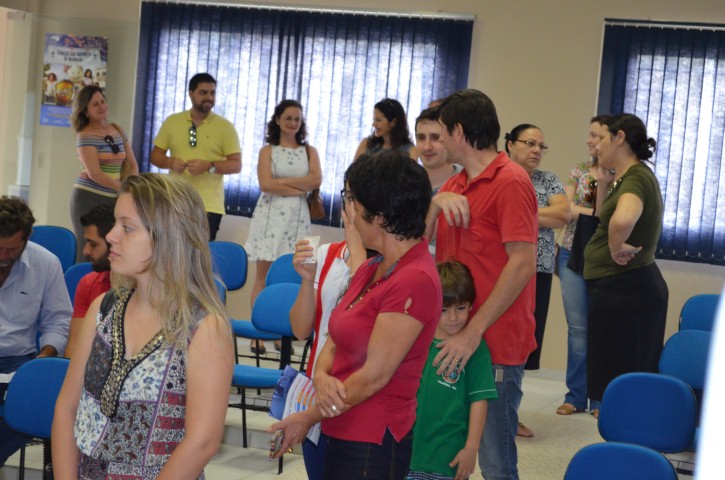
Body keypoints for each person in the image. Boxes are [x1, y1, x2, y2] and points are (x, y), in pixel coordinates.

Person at [269, 151, 441, 480]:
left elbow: (375, 375)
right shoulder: (373, 268)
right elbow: (334, 337)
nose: (348, 213)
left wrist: (309, 416)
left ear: (379, 216)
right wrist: (321, 377)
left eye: (353, 202)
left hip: (372, 436)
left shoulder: (415, 278)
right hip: (339, 422)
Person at [52, 173, 234, 479]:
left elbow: (202, 442)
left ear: (167, 238)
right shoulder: (103, 309)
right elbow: (67, 408)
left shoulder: (203, 329)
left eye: (127, 227)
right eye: (115, 223)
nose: (111, 236)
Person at [425, 89, 538, 480]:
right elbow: (416, 249)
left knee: (495, 462)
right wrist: (434, 205)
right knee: (449, 448)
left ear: (459, 132)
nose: (437, 141)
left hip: (493, 340)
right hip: (453, 335)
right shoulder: (453, 185)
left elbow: (523, 263)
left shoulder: (511, 181)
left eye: (441, 132)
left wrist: (472, 333)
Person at [583, 113, 668, 417]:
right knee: (613, 378)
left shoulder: (636, 178)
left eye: (602, 138)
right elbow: (603, 216)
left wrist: (615, 247)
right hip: (622, 288)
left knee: (624, 381)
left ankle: (629, 437)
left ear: (620, 138)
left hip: (627, 289)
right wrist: (604, 183)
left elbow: (622, 220)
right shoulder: (626, 177)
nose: (596, 145)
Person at [288, 206, 366, 480]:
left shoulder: (388, 262)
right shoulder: (327, 253)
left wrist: (357, 249)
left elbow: (360, 317)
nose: (353, 208)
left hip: (358, 394)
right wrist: (307, 280)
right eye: (349, 197)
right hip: (318, 388)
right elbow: (300, 329)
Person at [407, 260, 498, 480]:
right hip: (408, 455)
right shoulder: (414, 339)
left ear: (471, 306)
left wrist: (471, 449)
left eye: (460, 308)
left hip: (448, 460)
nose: (453, 317)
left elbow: (479, 401)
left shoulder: (476, 350)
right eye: (444, 310)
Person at [245, 99, 322, 355]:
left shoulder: (309, 151)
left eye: (297, 119)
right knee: (263, 277)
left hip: (298, 219)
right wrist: (300, 185)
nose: (293, 123)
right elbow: (266, 184)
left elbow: (316, 180)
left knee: (290, 276)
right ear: (278, 120)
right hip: (269, 218)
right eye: (288, 118)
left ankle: (282, 335)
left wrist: (283, 184)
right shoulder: (267, 151)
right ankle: (257, 336)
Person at [0, 195, 72, 467]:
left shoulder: (46, 263)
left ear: (27, 237)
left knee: (29, 404)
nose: (2, 256)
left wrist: (44, 357)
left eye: (11, 249)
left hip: (20, 361)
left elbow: (58, 322)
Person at [556, 115, 612, 417]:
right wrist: (592, 212)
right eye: (590, 134)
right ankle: (575, 396)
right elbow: (565, 210)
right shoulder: (579, 170)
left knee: (602, 328)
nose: (590, 141)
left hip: (605, 259)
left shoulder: (621, 176)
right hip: (570, 253)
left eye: (597, 136)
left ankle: (600, 400)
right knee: (578, 329)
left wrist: (585, 211)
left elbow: (611, 216)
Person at [150, 72, 242, 241]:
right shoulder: (172, 121)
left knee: (201, 252)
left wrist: (209, 166)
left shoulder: (225, 127)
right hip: (175, 200)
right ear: (191, 94)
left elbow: (236, 165)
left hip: (208, 205)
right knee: (171, 249)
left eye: (212, 93)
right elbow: (155, 156)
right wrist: (170, 162)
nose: (209, 97)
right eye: (203, 92)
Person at [70, 85, 139, 261]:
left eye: (102, 101)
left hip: (114, 196)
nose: (102, 106)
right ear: (85, 111)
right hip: (88, 197)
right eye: (95, 104)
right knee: (88, 247)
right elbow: (95, 173)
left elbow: (132, 164)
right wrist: (121, 189)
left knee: (112, 246)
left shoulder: (117, 129)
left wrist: (132, 188)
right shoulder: (85, 136)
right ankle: (83, 277)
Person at [64, 203, 115, 359]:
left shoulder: (144, 290)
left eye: (93, 244)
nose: (85, 251)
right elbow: (73, 348)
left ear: (114, 243)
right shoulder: (88, 283)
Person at [353, 98, 418, 161]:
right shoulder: (366, 144)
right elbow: (354, 168)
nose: (373, 124)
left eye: (378, 120)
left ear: (394, 122)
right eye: (374, 120)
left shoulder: (410, 151)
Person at [416, 107, 462, 195]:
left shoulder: (467, 183)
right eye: (421, 138)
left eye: (435, 138)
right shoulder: (406, 182)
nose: (427, 147)